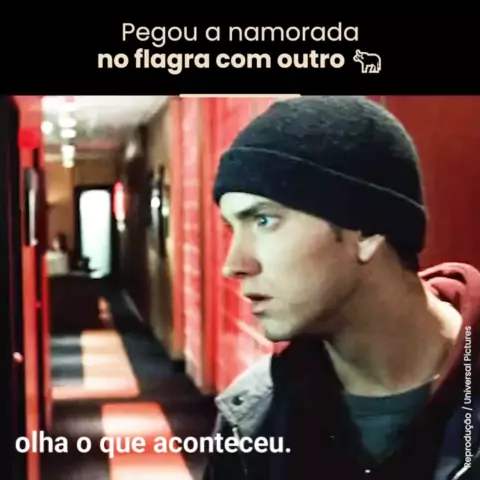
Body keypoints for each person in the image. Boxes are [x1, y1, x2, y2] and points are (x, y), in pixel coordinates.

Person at [202, 96, 480, 479]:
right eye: (232, 228)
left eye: (264, 220)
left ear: (365, 229)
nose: (233, 265)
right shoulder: (252, 418)